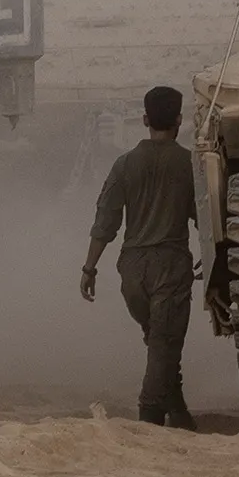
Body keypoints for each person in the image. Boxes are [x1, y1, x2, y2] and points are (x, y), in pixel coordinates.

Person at [80, 85, 199, 429]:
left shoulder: (124, 164)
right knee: (163, 344)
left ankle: (179, 412)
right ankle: (149, 421)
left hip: (132, 272)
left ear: (145, 120)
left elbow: (106, 220)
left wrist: (89, 268)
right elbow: (203, 218)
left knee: (159, 342)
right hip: (170, 267)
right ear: (179, 120)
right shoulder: (188, 164)